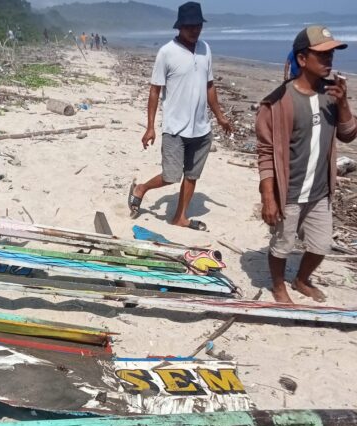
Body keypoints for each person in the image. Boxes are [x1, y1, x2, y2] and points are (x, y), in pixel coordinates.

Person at [256, 26, 357, 303]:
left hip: (320, 191)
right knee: (281, 246)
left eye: (331, 54)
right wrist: (268, 197)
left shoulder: (332, 94)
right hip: (288, 192)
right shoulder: (278, 102)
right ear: (302, 59)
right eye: (322, 54)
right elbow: (265, 152)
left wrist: (344, 103)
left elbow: (348, 134)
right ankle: (279, 287)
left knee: (321, 244)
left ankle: (301, 279)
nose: (329, 60)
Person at [128, 2, 232, 230]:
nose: (195, 30)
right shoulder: (166, 52)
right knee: (171, 175)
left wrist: (220, 116)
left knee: (192, 175)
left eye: (198, 25)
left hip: (201, 128)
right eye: (190, 26)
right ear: (180, 27)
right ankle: (142, 188)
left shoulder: (205, 49)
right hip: (174, 128)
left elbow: (210, 85)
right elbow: (155, 90)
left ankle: (180, 217)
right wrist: (150, 127)